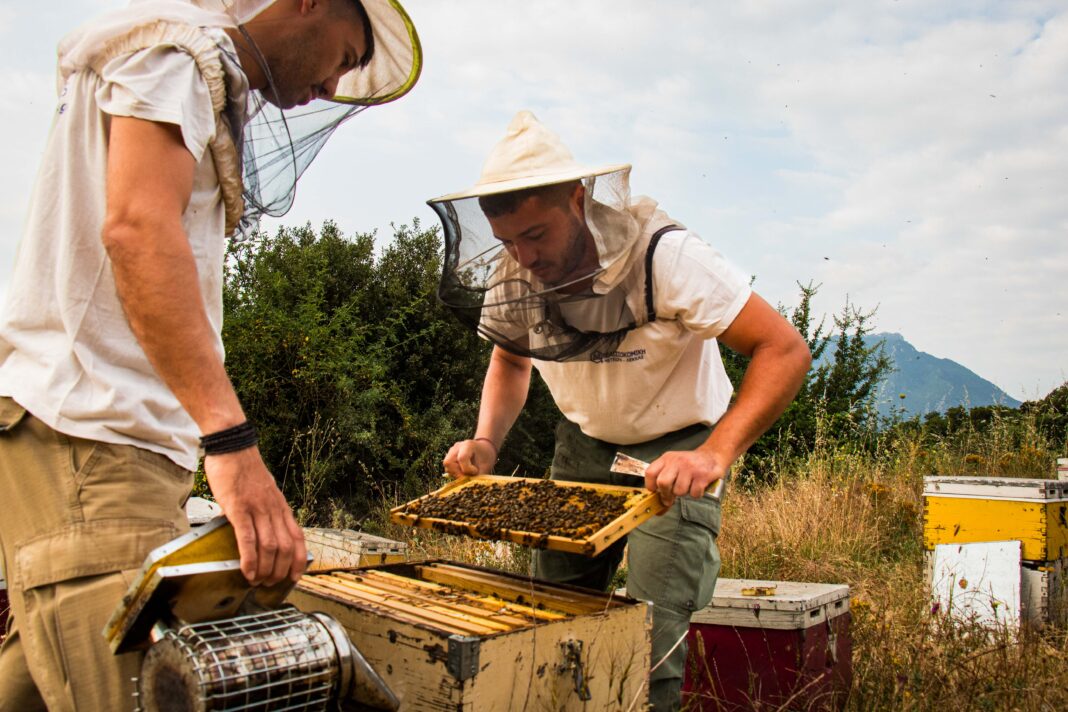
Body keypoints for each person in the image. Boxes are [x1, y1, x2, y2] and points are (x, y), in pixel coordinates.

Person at [0, 0, 420, 708]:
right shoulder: (177, 56)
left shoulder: (174, 61)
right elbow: (136, 229)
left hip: (94, 443)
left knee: (33, 686)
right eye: (345, 57)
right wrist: (231, 445)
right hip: (94, 440)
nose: (335, 86)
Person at [434, 111, 811, 711]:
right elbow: (510, 362)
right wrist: (486, 441)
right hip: (584, 442)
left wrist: (714, 452)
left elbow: (784, 349)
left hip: (678, 444)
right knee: (546, 618)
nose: (523, 256)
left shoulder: (666, 256)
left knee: (650, 631)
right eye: (507, 241)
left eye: (535, 234)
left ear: (577, 200)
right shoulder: (516, 273)